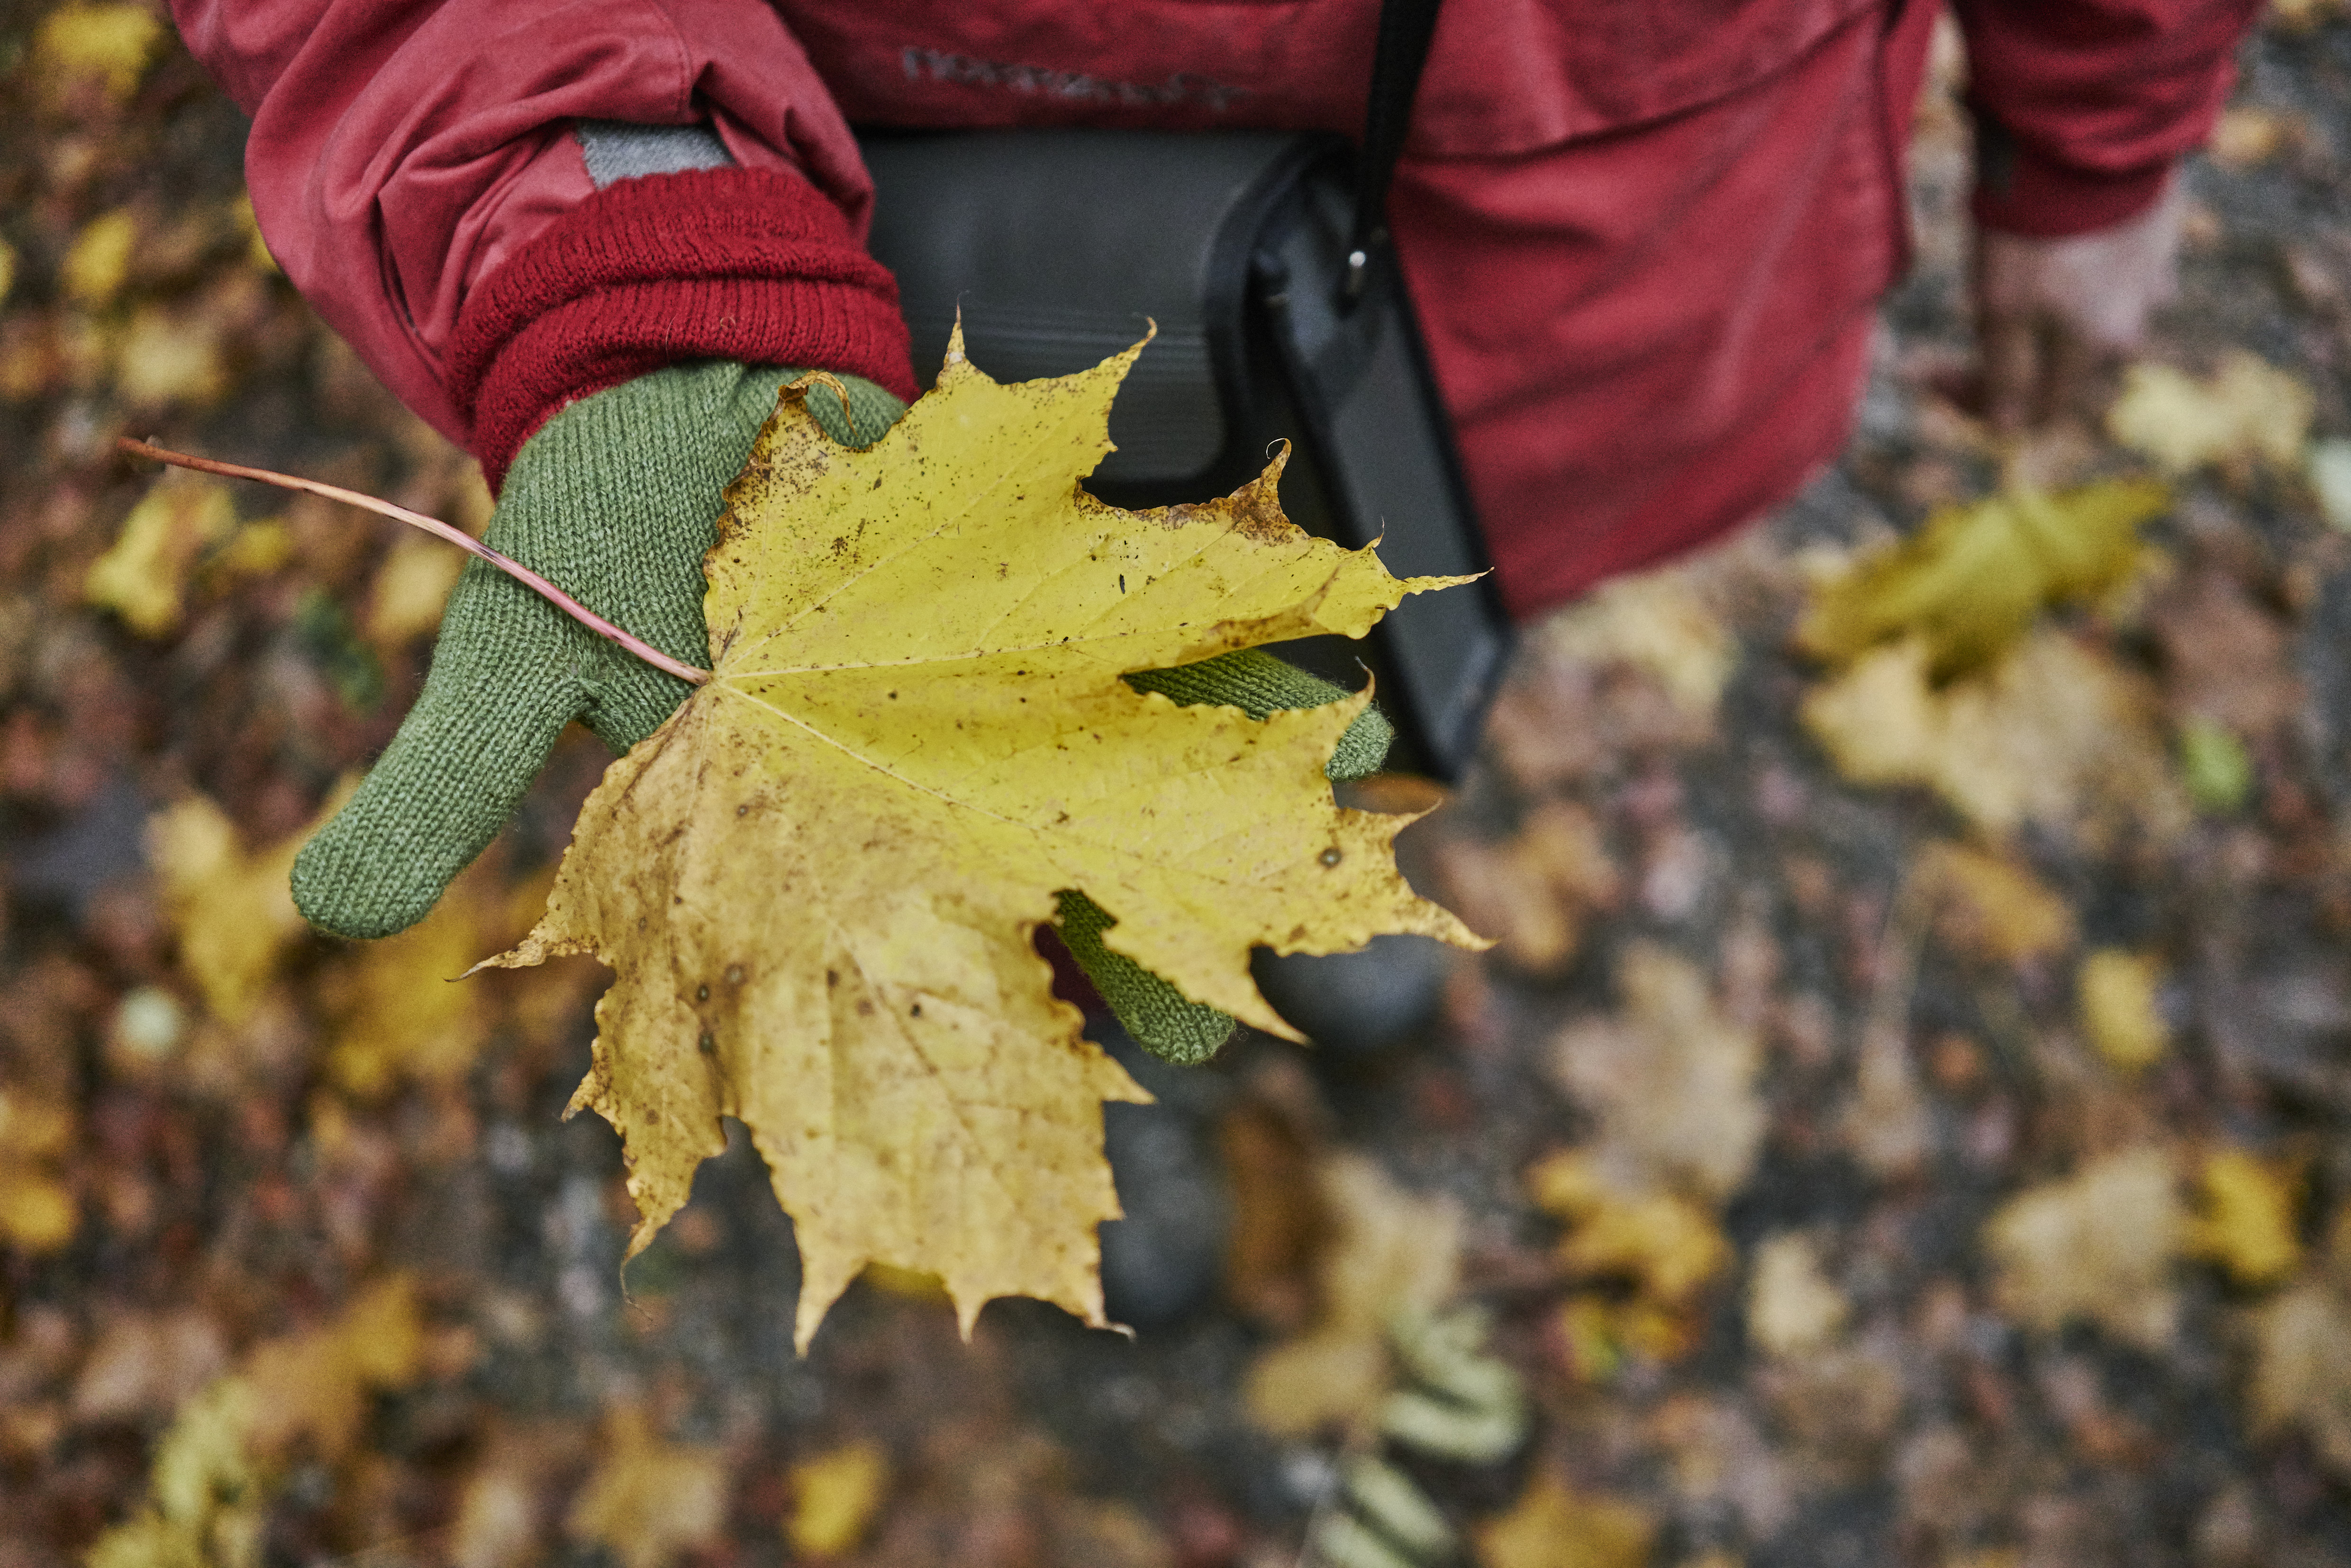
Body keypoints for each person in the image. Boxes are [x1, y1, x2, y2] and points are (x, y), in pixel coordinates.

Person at [164, 0, 2258, 1001]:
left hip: (1627, 266)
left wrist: (2104, 124)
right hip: (911, 273)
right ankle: (1079, 993)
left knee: (1406, 666)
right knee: (1005, 765)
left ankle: (1330, 870)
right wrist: (624, 232)